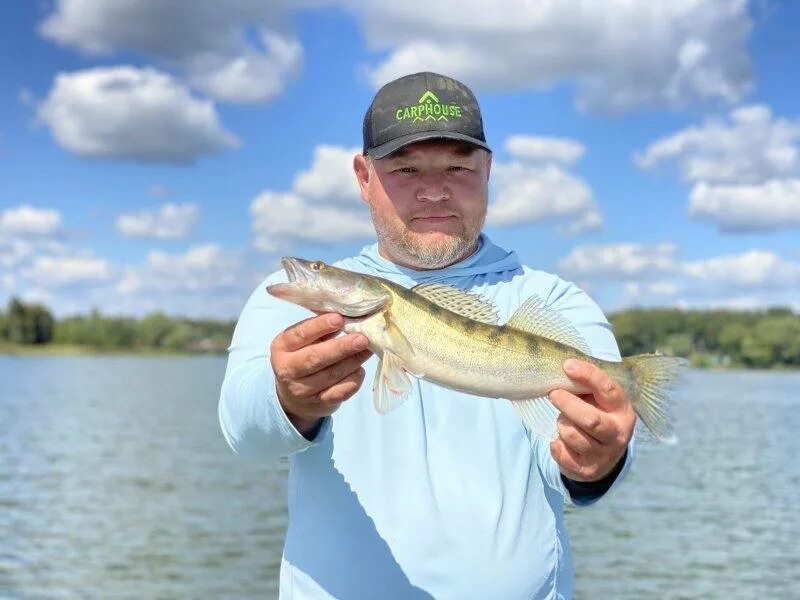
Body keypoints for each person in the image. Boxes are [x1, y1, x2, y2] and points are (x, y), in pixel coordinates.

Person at [218, 72, 636, 599]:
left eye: (458, 167)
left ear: (488, 171)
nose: (434, 190)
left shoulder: (554, 304)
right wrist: (288, 401)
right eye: (405, 167)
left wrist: (598, 459)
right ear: (363, 176)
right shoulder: (295, 300)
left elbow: (580, 469)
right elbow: (244, 435)